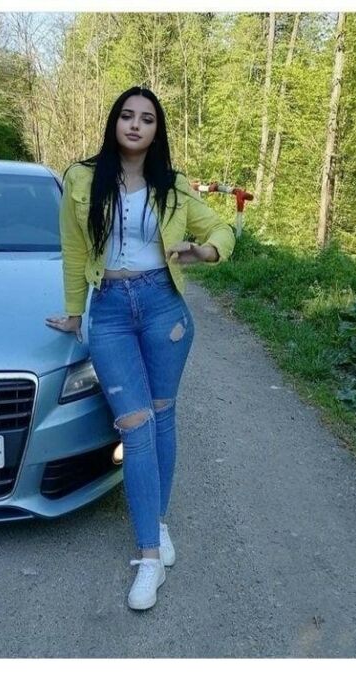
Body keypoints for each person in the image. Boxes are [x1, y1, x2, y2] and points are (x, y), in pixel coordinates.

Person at [45, 86, 235, 610]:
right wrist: (75, 312)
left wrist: (206, 250)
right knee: (135, 424)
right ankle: (150, 556)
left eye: (146, 119)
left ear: (157, 130)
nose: (135, 125)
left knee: (162, 416)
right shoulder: (81, 179)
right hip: (108, 311)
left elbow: (222, 227)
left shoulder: (172, 185)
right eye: (127, 116)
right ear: (114, 123)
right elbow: (73, 249)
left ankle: (156, 524)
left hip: (162, 309)